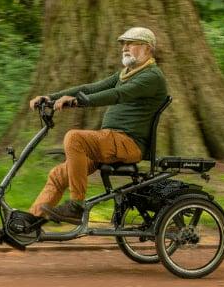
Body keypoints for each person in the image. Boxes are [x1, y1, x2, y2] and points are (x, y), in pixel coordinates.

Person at [28, 26, 168, 225]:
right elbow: (89, 88)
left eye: (131, 43)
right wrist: (51, 97)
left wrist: (78, 101)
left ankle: (76, 206)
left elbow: (118, 95)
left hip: (128, 143)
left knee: (74, 137)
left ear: (147, 48)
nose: (125, 48)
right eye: (123, 44)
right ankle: (29, 224)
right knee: (58, 175)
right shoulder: (126, 73)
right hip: (110, 141)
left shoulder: (151, 76)